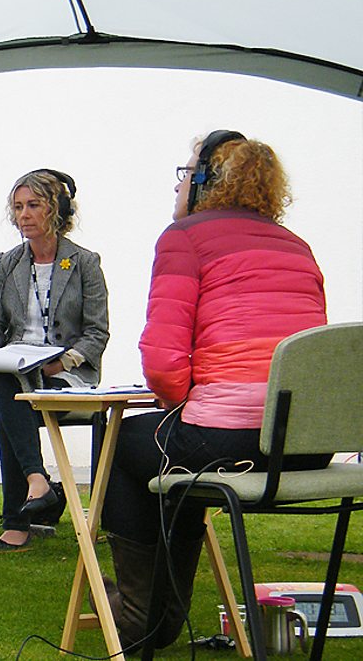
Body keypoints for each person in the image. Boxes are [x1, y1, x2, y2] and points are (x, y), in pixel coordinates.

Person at [99, 131, 328, 650]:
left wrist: (184, 399)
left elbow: (162, 363)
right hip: (304, 447)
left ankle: (139, 617)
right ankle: (158, 616)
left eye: (185, 173)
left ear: (206, 181)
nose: (178, 184)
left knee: (120, 443)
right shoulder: (297, 246)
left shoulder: (184, 238)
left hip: (230, 443)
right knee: (172, 458)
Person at [0, 169, 109, 550]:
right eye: (18, 207)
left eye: (33, 205)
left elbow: (96, 333)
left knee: (7, 411)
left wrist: (60, 364)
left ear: (57, 209)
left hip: (64, 373)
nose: (24, 215)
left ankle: (20, 519)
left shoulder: (84, 263)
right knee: (7, 383)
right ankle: (38, 483)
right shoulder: (7, 263)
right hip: (16, 371)